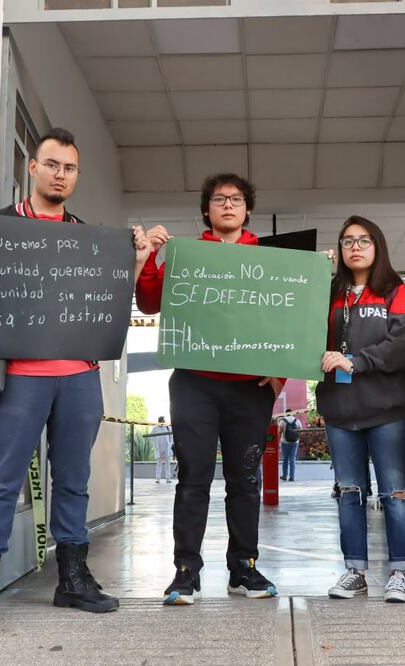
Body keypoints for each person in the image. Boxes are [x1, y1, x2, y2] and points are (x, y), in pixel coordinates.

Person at [0, 127, 152, 640]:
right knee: (2, 480)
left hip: (79, 378)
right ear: (32, 167)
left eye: (69, 168)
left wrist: (136, 263)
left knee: (74, 480)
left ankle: (72, 579)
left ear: (77, 175)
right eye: (52, 164)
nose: (60, 174)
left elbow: (109, 303)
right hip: (18, 376)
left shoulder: (88, 238)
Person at [136, 173, 284, 606]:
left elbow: (291, 319)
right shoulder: (187, 255)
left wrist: (281, 377)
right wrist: (152, 256)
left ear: (248, 209)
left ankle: (244, 568)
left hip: (250, 389)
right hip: (194, 384)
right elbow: (149, 303)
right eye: (219, 199)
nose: (228, 205)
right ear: (207, 209)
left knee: (245, 481)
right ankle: (186, 571)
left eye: (236, 199)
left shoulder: (271, 259)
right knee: (193, 479)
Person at [316, 215, 405, 603]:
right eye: (347, 241)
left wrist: (356, 361)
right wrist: (312, 276)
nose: (355, 247)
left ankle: (399, 573)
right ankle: (355, 572)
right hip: (340, 411)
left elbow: (403, 341)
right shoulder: (329, 293)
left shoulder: (396, 291)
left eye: (364, 240)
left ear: (377, 245)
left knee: (395, 492)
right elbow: (301, 332)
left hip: (388, 409)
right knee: (349, 492)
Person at [277, 413, 300, 481]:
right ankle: (292, 476)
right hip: (295, 442)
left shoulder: (283, 421)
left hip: (285, 442)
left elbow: (279, 432)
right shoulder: (297, 420)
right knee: (292, 459)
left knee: (285, 459)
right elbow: (300, 431)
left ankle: (284, 476)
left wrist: (277, 443)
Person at [152, 416, 174, 484]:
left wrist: (170, 444)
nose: (162, 422)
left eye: (163, 421)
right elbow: (152, 437)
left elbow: (171, 437)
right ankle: (158, 479)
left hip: (167, 448)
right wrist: (155, 445)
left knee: (167, 464)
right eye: (161, 421)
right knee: (159, 464)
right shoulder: (155, 428)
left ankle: (168, 479)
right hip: (159, 448)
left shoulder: (167, 427)